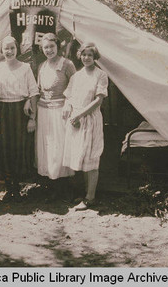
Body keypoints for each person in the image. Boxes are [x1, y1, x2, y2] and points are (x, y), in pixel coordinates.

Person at [62, 42, 108, 210]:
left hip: (90, 118)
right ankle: (83, 194)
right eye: (84, 54)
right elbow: (69, 96)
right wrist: (68, 107)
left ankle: (91, 197)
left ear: (94, 57)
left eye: (90, 55)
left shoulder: (100, 75)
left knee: (91, 157)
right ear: (79, 56)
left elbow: (98, 100)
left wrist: (79, 115)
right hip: (76, 120)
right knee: (80, 156)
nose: (86, 58)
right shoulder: (76, 76)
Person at [0, 36, 39, 202]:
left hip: (21, 111)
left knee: (20, 148)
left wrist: (32, 118)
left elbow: (33, 92)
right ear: (2, 50)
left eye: (12, 48)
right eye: (6, 48)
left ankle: (18, 188)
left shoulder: (25, 68)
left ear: (17, 49)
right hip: (3, 110)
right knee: (4, 148)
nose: (9, 51)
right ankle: (9, 187)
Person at [36, 33, 76, 199]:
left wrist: (68, 104)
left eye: (51, 46)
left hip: (61, 111)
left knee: (59, 149)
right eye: (45, 47)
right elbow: (38, 89)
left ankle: (64, 189)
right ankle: (51, 187)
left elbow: (75, 87)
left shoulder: (67, 64)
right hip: (43, 111)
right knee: (46, 148)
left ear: (57, 47)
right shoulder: (42, 66)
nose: (49, 50)